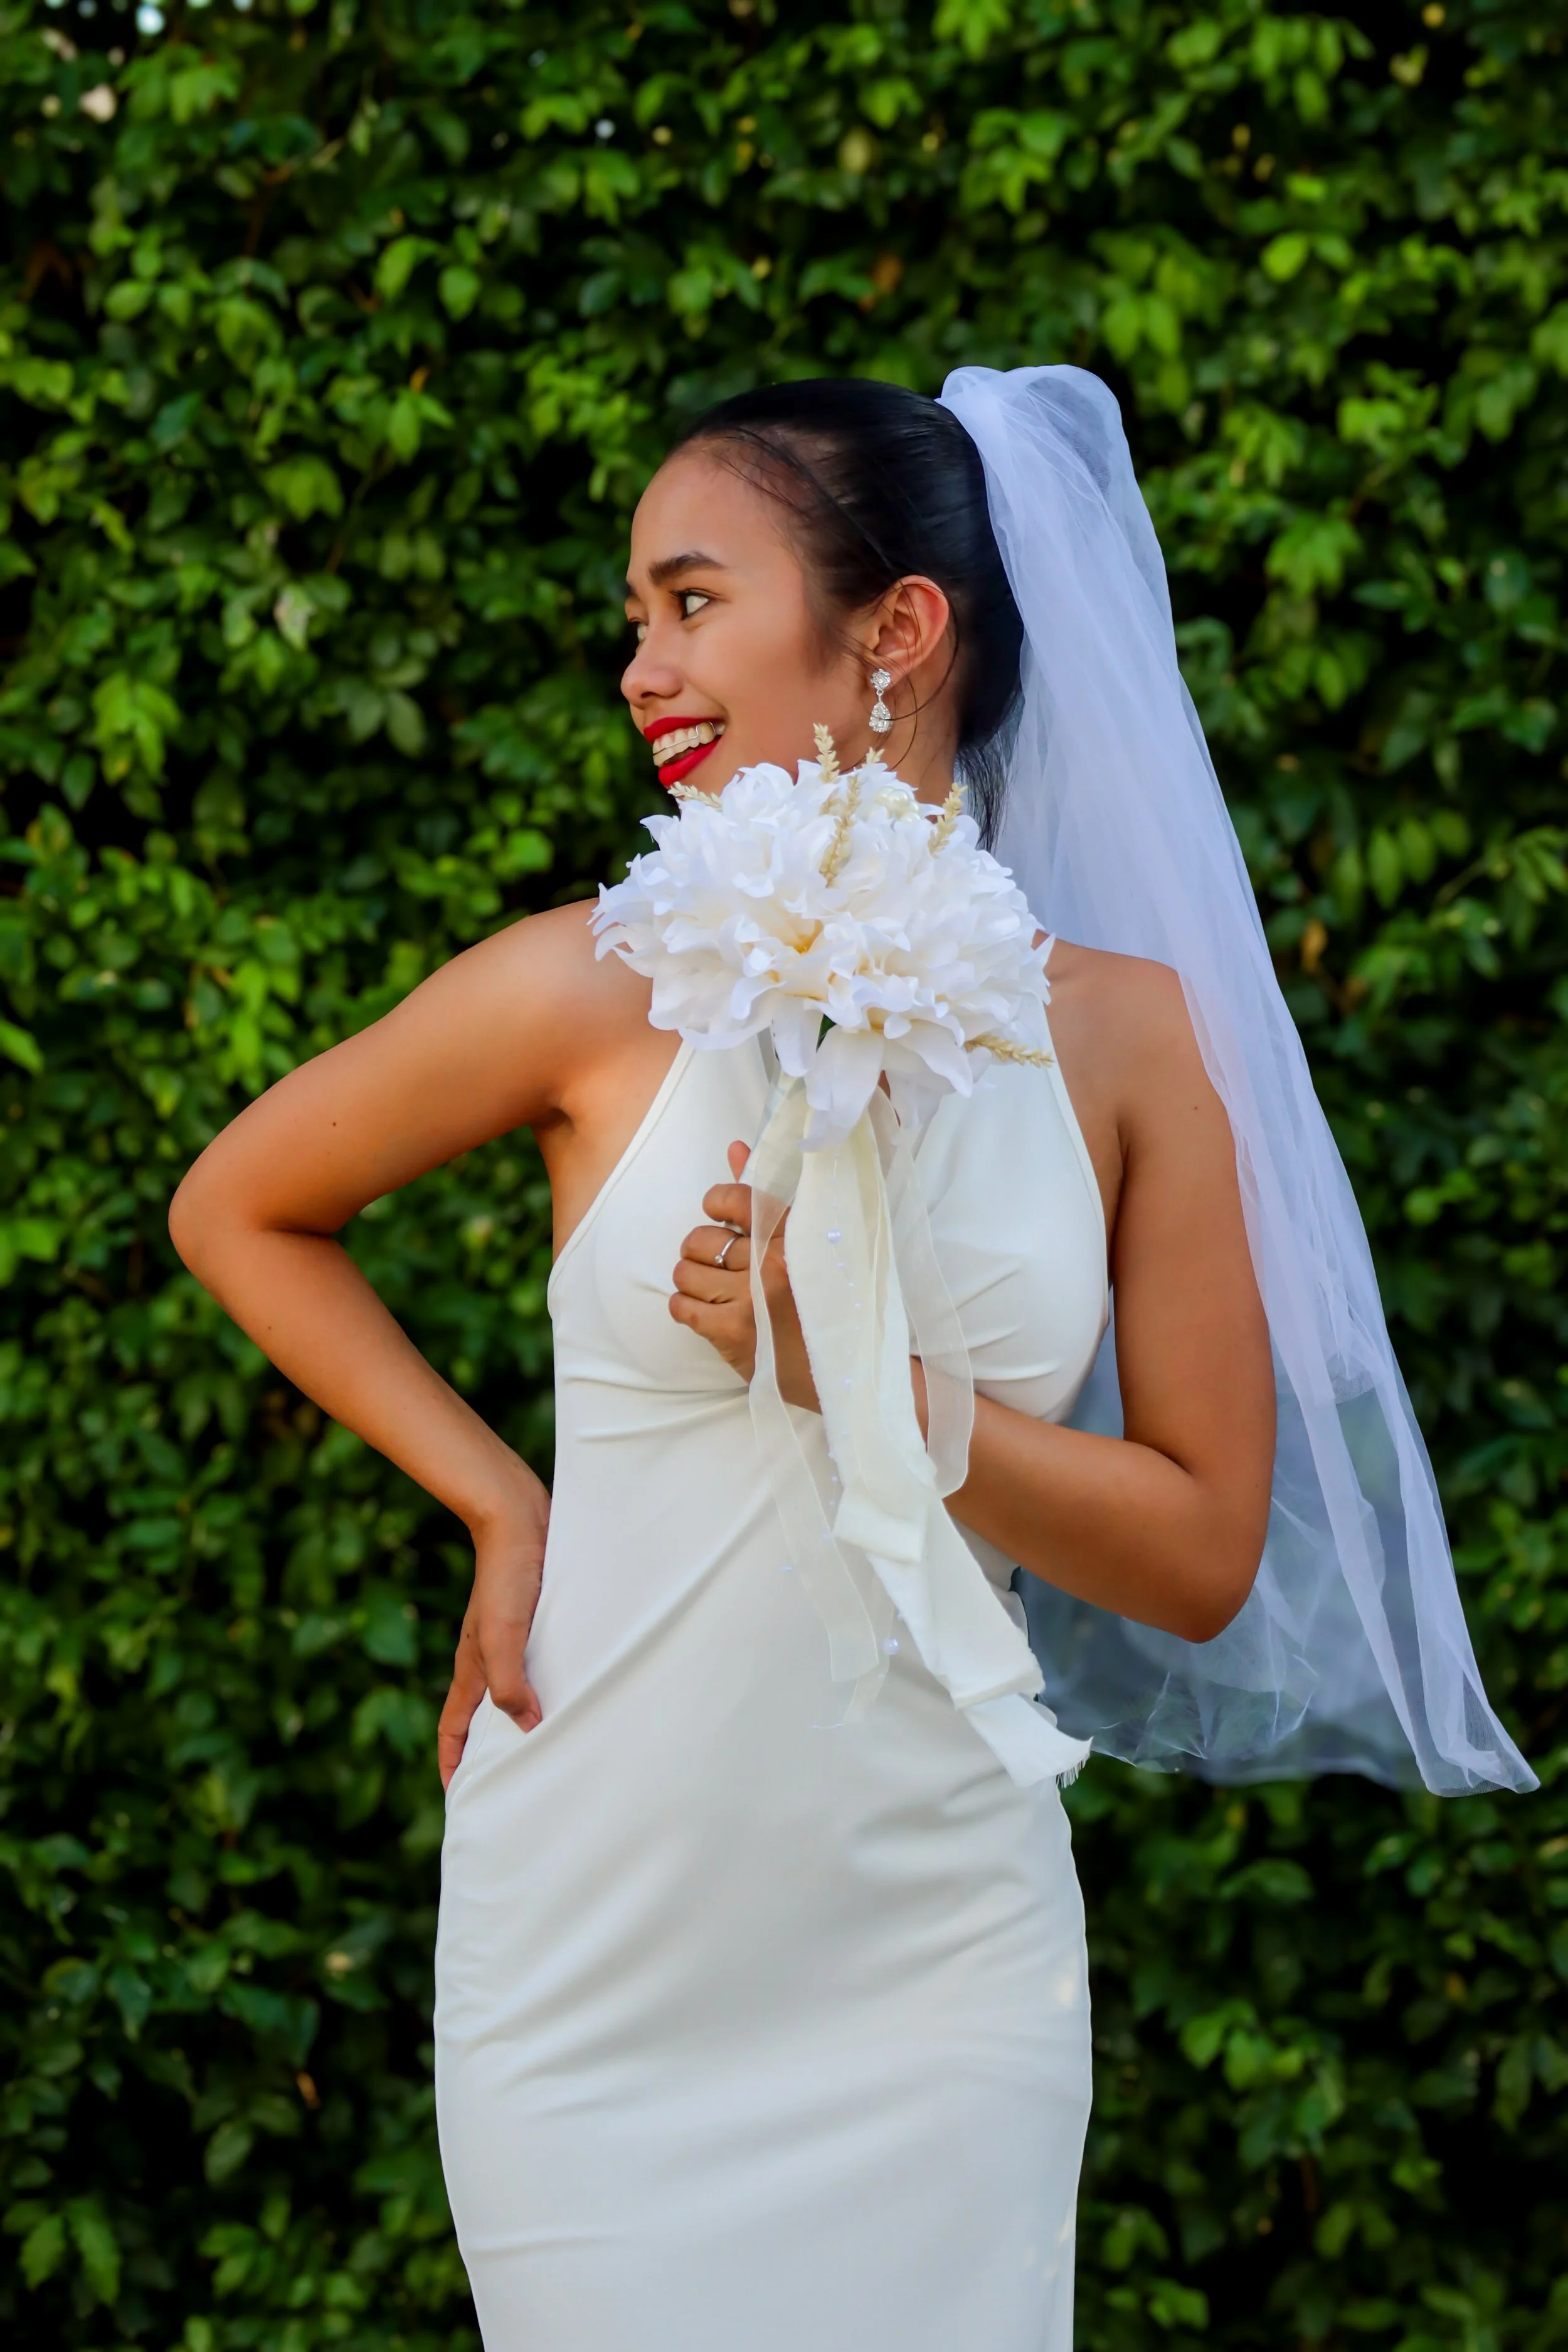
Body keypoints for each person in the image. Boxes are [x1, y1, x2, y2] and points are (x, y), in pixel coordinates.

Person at [169, 371, 1528, 2352]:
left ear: (895, 632)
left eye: (690, 599)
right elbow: (238, 1206)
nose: (641, 660)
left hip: (936, 1947)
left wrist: (873, 1393)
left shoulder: (1137, 1043)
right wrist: (498, 1496)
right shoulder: (591, 979)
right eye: (635, 612)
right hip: (597, 1946)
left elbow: (1203, 1546)